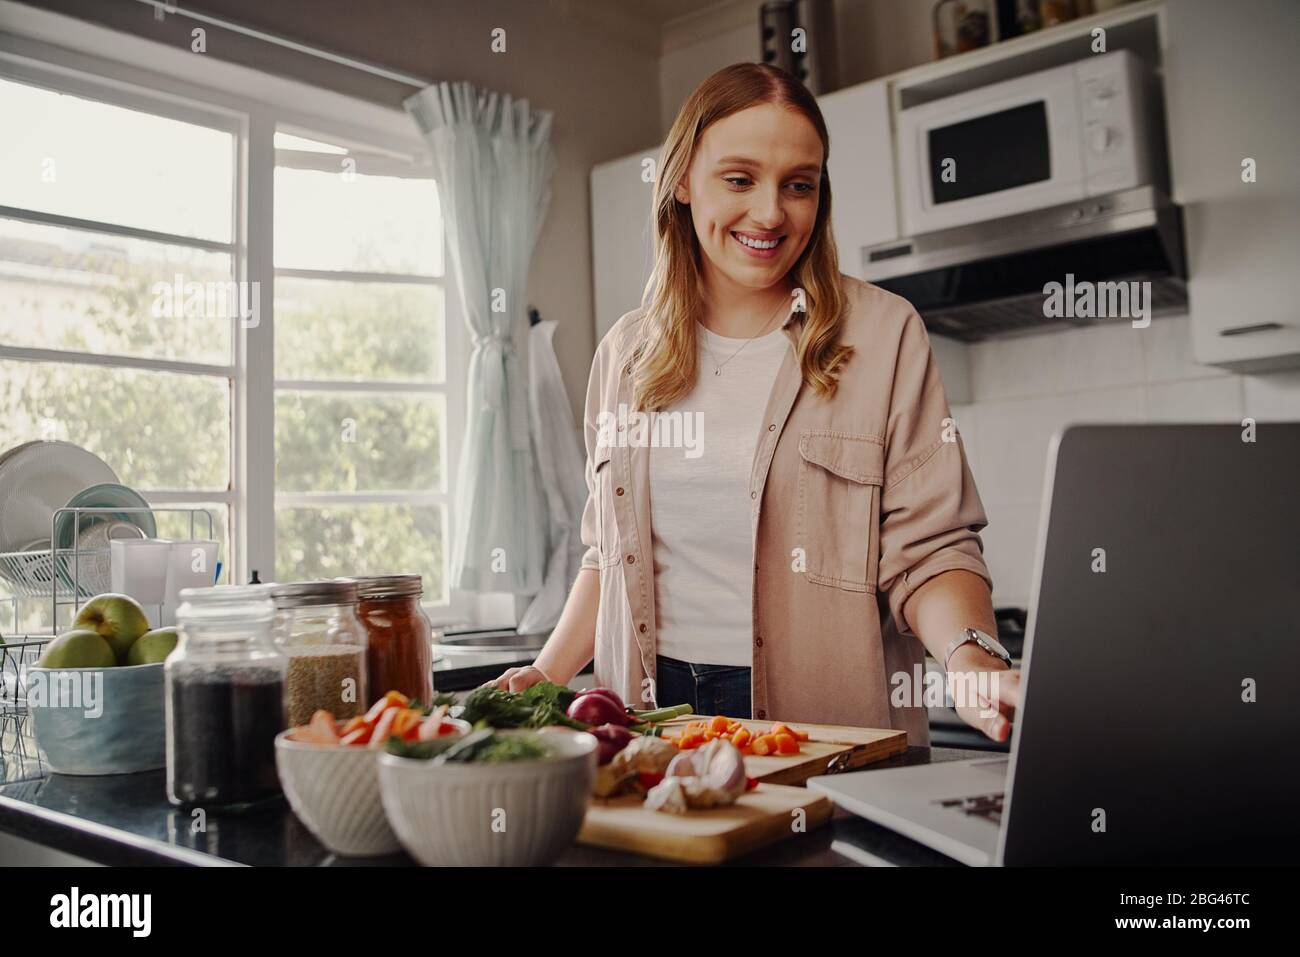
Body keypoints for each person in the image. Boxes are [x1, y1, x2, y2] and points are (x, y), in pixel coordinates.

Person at [491, 62, 1019, 744]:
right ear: (680, 181)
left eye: (798, 185)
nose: (771, 212)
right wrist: (545, 672)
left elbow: (930, 548)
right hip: (650, 723)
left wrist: (970, 657)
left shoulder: (884, 336)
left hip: (823, 731)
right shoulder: (624, 355)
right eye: (739, 179)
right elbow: (608, 557)